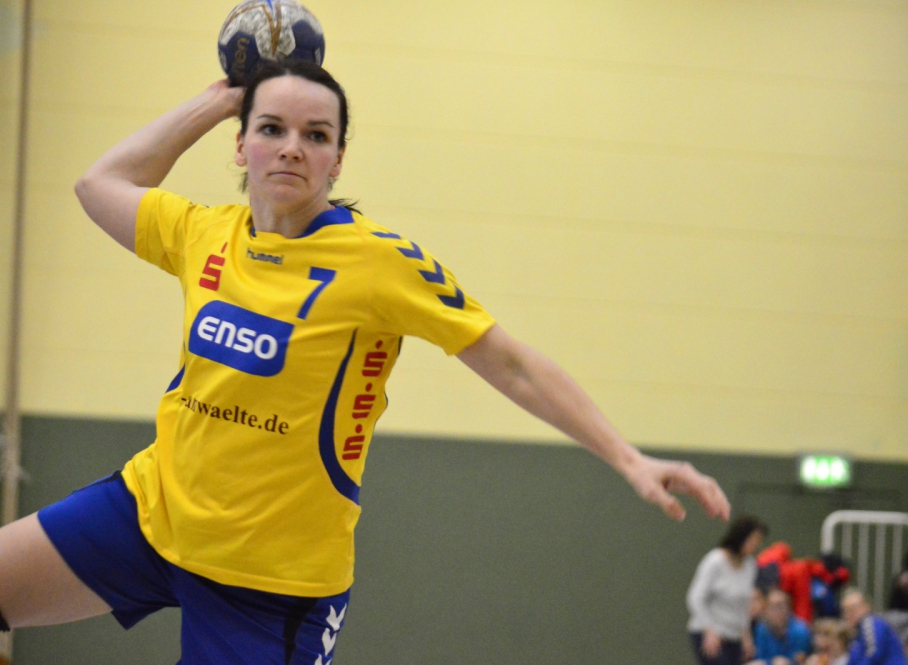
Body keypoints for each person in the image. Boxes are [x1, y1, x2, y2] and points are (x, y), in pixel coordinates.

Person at [0, 60, 731, 663]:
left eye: (316, 135)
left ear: (338, 158)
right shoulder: (203, 232)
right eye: (270, 128)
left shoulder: (378, 262)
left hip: (271, 588)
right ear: (241, 145)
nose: (292, 147)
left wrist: (628, 457)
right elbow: (100, 185)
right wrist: (219, 98)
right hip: (149, 512)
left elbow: (511, 363)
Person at [686, 515, 767, 665]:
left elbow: (743, 605)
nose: (756, 545)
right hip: (710, 633)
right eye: (753, 539)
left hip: (734, 636)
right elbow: (695, 597)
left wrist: (746, 636)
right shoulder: (715, 561)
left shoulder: (750, 565)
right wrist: (709, 630)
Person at [841, 589, 908, 665]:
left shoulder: (870, 622)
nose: (848, 615)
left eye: (853, 609)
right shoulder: (857, 632)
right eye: (845, 611)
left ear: (866, 607)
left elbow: (874, 654)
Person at [751, 588, 812, 665]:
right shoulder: (761, 629)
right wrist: (771, 662)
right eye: (772, 607)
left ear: (788, 608)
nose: (776, 611)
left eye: (780, 606)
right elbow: (760, 657)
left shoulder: (801, 631)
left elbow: (800, 658)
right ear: (766, 610)